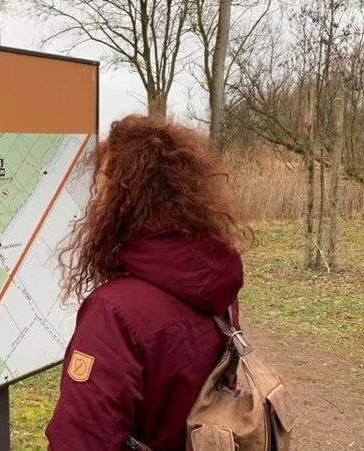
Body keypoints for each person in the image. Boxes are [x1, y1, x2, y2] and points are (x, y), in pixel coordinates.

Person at [46, 115, 255, 450]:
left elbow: (79, 439)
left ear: (124, 202)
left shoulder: (114, 312)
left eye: (100, 190)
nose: (93, 202)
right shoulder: (217, 288)